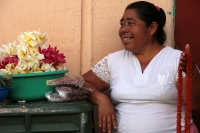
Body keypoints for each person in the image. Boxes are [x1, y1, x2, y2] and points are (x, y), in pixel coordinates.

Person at [81, 1, 200, 133]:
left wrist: (192, 72)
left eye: (131, 23)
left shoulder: (177, 59)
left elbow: (195, 104)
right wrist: (100, 98)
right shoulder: (114, 60)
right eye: (122, 24)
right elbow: (84, 83)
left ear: (152, 28)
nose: (123, 29)